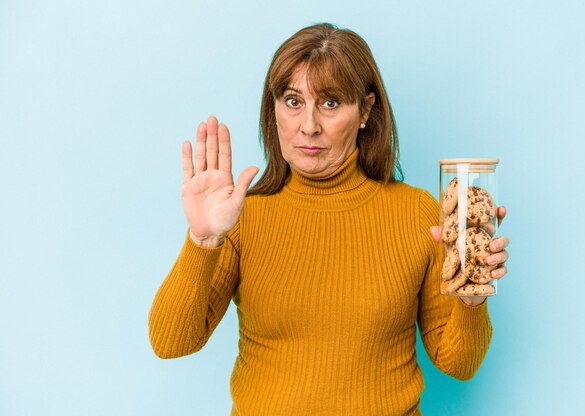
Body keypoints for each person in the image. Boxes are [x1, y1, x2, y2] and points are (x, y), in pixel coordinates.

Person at [148, 22, 510, 415]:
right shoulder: (243, 217)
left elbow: (459, 364)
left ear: (366, 111)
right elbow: (171, 342)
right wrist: (202, 242)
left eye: (331, 103)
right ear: (274, 110)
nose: (308, 125)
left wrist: (472, 299)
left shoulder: (418, 213)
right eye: (292, 101)